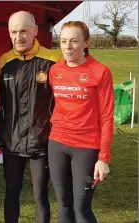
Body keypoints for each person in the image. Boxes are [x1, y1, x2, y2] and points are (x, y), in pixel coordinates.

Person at [0, 11, 61, 223]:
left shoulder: (53, 60)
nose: (18, 36)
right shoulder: (3, 63)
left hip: (41, 142)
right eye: (14, 32)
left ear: (35, 31)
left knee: (40, 197)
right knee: (11, 194)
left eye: (23, 30)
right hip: (11, 141)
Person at [48, 21, 114, 223]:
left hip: (86, 147)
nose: (68, 47)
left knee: (81, 208)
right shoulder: (54, 71)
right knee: (63, 203)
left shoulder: (100, 72)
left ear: (86, 43)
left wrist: (103, 158)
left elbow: (107, 117)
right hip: (57, 143)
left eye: (74, 41)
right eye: (63, 41)